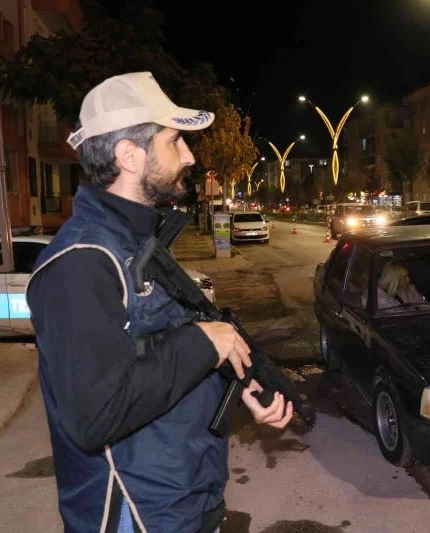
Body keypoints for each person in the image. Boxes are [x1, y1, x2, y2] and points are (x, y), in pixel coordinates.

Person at [26, 72, 292, 533]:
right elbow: (96, 415)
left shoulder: (133, 241)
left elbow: (152, 349)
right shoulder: (82, 263)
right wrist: (204, 344)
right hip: (138, 512)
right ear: (129, 155)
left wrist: (234, 381)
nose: (189, 155)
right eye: (174, 142)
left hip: (182, 495)